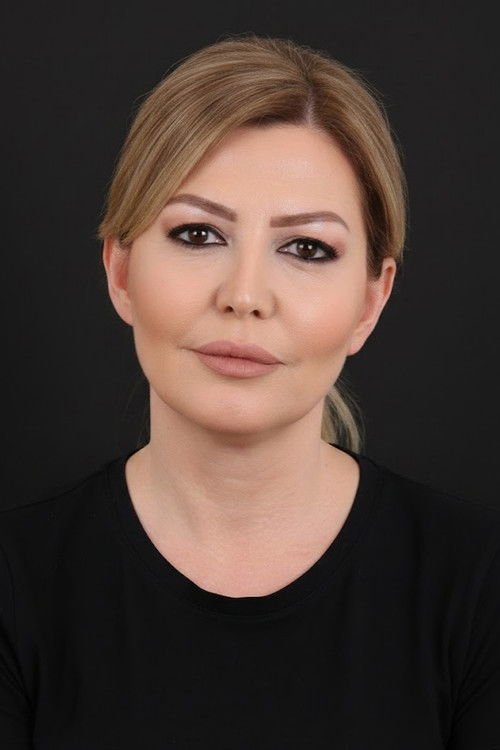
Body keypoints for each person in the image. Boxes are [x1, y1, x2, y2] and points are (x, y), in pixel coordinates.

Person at [1, 33, 498, 749]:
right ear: (120, 272)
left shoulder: (479, 584)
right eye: (199, 234)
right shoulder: (15, 584)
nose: (245, 295)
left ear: (371, 302)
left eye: (306, 248)